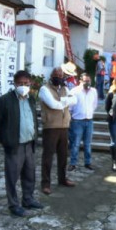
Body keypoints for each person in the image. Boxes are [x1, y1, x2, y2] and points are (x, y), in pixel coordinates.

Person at [0, 71, 43, 217]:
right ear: (14, 84)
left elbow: (33, 118)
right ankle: (14, 205)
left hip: (29, 144)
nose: (23, 86)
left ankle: (28, 199)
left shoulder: (31, 99)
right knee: (12, 176)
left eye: (26, 84)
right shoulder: (4, 100)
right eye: (20, 83)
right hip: (14, 145)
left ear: (30, 84)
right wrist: (4, 140)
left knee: (29, 174)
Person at [39, 67, 77, 195]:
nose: (59, 77)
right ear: (51, 75)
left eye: (61, 75)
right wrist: (66, 101)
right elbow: (53, 105)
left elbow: (74, 100)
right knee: (48, 157)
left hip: (64, 126)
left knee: (63, 155)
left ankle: (62, 179)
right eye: (56, 75)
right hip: (50, 127)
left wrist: (62, 101)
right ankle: (45, 183)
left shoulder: (65, 88)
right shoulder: (44, 89)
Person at [68, 72, 98, 171]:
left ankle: (88, 162)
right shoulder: (74, 91)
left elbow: (94, 104)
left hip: (89, 121)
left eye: (89, 81)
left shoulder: (93, 91)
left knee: (88, 144)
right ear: (80, 81)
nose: (87, 83)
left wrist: (88, 113)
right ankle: (73, 163)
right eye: (85, 81)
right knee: (75, 144)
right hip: (77, 121)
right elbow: (69, 107)